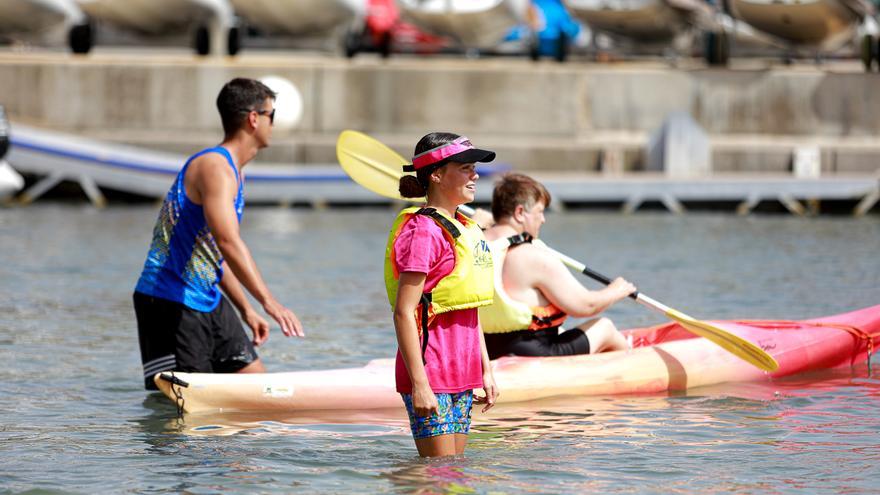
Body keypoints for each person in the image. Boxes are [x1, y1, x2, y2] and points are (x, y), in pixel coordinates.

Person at [133, 78, 303, 391]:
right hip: (169, 301)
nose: (273, 125)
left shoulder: (234, 172)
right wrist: (269, 302)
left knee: (256, 389)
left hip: (207, 299)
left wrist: (246, 309)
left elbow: (214, 251)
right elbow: (228, 242)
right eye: (272, 117)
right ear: (254, 118)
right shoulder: (214, 167)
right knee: (187, 416)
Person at [384, 132, 500, 457]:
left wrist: (485, 370)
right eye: (465, 168)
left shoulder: (464, 226)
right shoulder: (423, 232)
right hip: (430, 371)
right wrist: (420, 385)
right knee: (436, 478)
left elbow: (468, 306)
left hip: (463, 372)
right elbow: (403, 312)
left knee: (454, 475)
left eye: (474, 168)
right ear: (436, 174)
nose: (474, 175)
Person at [478, 173, 635, 360]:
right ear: (519, 213)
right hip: (532, 353)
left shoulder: (475, 241)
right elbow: (585, 305)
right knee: (605, 327)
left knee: (560, 329)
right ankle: (629, 370)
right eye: (540, 212)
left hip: (486, 351)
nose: (543, 219)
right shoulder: (531, 255)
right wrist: (616, 290)